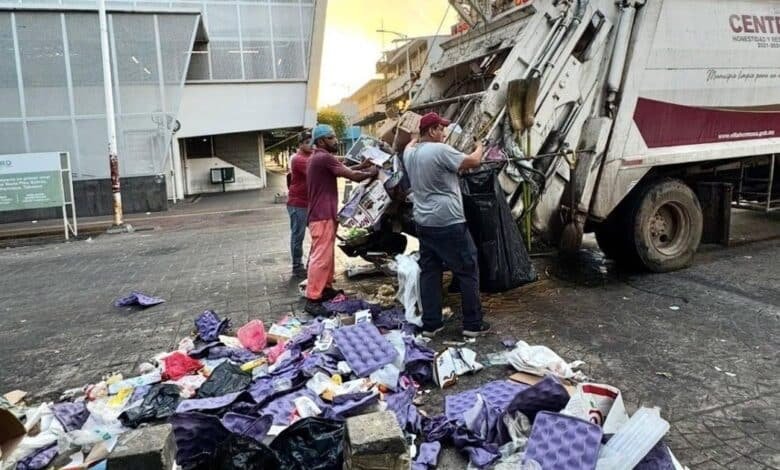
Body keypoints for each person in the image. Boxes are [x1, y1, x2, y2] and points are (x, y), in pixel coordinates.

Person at [403, 112, 489, 338]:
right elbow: (474, 161)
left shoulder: (409, 154)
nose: (444, 134)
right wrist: (480, 146)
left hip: (424, 222)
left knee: (430, 272)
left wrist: (414, 135)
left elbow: (411, 142)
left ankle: (431, 324)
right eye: (441, 129)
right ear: (432, 131)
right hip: (448, 221)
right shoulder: (440, 150)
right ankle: (473, 324)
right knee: (467, 269)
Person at [305, 124, 377, 316]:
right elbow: (352, 176)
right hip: (321, 216)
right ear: (321, 141)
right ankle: (313, 298)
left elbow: (341, 169)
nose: (335, 140)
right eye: (331, 137)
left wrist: (362, 166)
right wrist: (373, 173)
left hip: (323, 214)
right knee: (321, 258)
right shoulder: (323, 157)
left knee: (327, 256)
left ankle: (325, 288)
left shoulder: (318, 157)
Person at [286, 131, 313, 278]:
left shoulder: (312, 155)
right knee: (298, 235)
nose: (311, 144)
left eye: (312, 141)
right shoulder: (298, 159)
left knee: (318, 233)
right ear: (300, 144)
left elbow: (330, 159)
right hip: (298, 204)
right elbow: (315, 172)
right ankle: (297, 266)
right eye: (307, 142)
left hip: (309, 203)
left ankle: (312, 264)